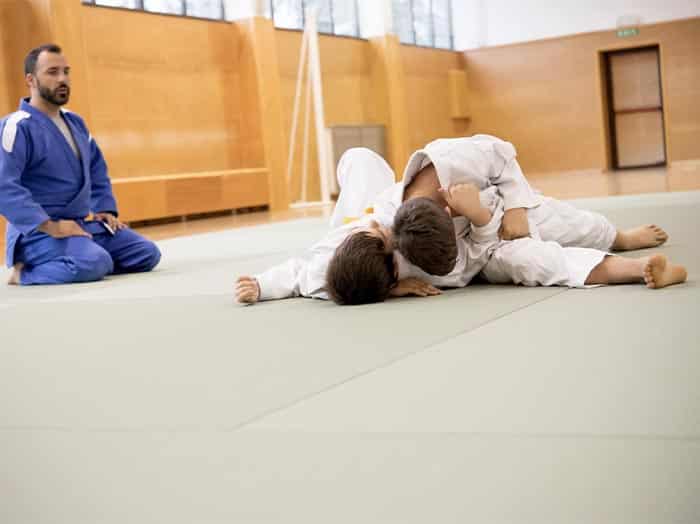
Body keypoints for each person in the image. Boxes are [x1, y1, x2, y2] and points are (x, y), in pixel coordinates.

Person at [0, 44, 161, 285]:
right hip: (37, 233)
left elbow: (96, 169)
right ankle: (24, 273)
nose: (63, 79)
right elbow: (4, 185)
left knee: (146, 254)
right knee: (96, 263)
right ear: (31, 80)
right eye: (53, 72)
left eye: (66, 71)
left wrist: (105, 209)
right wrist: (50, 226)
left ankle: (82, 253)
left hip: (79, 226)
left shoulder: (75, 122)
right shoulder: (17, 126)